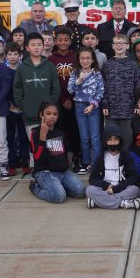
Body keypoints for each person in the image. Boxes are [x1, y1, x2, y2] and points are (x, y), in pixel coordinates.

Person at [28, 101, 86, 203]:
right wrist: (43, 136)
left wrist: (65, 167)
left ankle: (58, 186)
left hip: (62, 172)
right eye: (48, 113)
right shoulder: (35, 133)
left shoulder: (60, 133)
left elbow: (63, 156)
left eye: (55, 114)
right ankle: (35, 187)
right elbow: (37, 158)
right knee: (58, 196)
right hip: (44, 172)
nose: (52, 117)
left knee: (81, 192)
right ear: (42, 115)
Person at [13, 33, 61, 146]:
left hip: (48, 115)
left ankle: (49, 165)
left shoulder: (50, 66)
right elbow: (17, 89)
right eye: (33, 45)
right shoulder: (21, 68)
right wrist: (23, 105)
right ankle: (34, 165)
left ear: (43, 46)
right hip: (29, 114)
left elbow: (56, 88)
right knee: (34, 146)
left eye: (39, 44)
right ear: (27, 48)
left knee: (50, 145)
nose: (36, 47)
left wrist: (51, 106)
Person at [48, 26, 83, 173]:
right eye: (60, 40)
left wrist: (70, 98)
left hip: (75, 100)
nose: (63, 42)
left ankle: (76, 158)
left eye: (66, 40)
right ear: (55, 41)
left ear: (70, 41)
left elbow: (80, 79)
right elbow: (52, 82)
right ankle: (60, 158)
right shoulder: (50, 59)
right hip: (58, 101)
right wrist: (63, 99)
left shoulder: (75, 57)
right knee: (59, 131)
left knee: (75, 131)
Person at [85, 123, 140, 209]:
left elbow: (133, 177)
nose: (113, 143)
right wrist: (106, 186)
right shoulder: (100, 156)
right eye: (109, 139)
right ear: (105, 140)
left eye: (116, 139)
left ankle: (99, 202)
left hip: (121, 188)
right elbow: (92, 179)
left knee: (135, 190)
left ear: (120, 140)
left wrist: (116, 189)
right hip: (105, 189)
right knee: (90, 190)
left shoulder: (126, 155)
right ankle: (123, 203)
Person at [68, 46, 105, 172]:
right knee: (84, 137)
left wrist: (92, 105)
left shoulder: (97, 73)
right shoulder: (75, 73)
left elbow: (100, 91)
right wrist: (78, 81)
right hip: (79, 106)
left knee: (95, 137)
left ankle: (97, 164)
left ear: (93, 60)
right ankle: (86, 162)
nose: (85, 61)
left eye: (88, 58)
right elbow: (70, 90)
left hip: (93, 107)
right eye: (82, 58)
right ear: (78, 60)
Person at [102, 34, 140, 148]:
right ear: (112, 46)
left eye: (122, 43)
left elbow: (138, 86)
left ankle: (126, 164)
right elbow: (103, 86)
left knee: (127, 139)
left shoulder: (133, 65)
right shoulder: (107, 65)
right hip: (111, 111)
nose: (119, 46)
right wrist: (105, 104)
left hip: (128, 110)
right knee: (110, 139)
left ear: (127, 46)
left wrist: (137, 105)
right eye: (116, 43)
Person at [3, 42, 30, 175]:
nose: (12, 56)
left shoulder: (24, 69)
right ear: (5, 56)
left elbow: (27, 89)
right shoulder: (3, 71)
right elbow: (3, 90)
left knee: (24, 137)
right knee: (9, 137)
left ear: (20, 55)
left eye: (15, 54)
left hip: (23, 108)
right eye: (9, 54)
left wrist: (22, 103)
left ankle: (25, 163)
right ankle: (12, 164)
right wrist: (9, 104)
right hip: (9, 109)